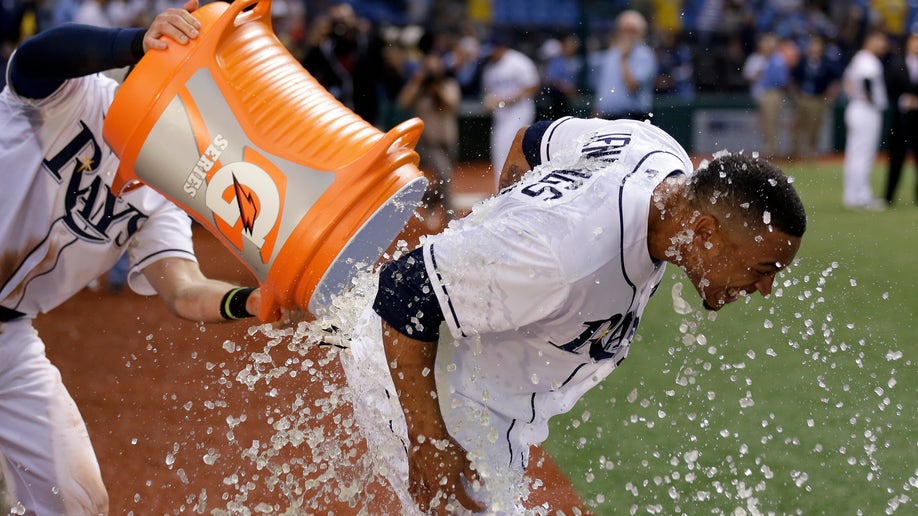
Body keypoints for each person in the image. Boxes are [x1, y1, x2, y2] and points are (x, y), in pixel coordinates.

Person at [339, 116, 806, 513]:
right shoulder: (565, 258)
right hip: (432, 382)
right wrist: (428, 438)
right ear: (703, 231)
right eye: (763, 269)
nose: (764, 288)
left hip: (492, 387)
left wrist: (505, 226)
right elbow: (405, 288)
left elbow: (531, 138)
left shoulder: (660, 155)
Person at [0, 2, 268, 513]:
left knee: (77, 504)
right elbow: (36, 56)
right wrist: (131, 41)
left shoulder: (161, 191)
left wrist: (251, 301)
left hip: (9, 340)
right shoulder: (75, 94)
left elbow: (185, 291)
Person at [396, 49, 461, 227]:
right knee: (445, 175)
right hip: (429, 143)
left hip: (449, 142)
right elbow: (403, 102)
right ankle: (451, 220)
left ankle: (428, 200)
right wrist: (417, 81)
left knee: (443, 179)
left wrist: (436, 89)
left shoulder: (448, 84)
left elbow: (451, 103)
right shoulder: (419, 90)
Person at [481, 33, 540, 187]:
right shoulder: (490, 68)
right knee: (499, 150)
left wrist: (509, 99)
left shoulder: (518, 62)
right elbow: (490, 94)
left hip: (519, 112)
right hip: (501, 116)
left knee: (509, 148)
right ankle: (502, 188)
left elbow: (533, 86)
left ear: (501, 47)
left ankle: (514, 187)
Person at [842, 29, 890, 210]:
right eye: (880, 40)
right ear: (870, 40)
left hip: (856, 106)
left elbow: (847, 83)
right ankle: (861, 197)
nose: (883, 45)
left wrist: (856, 96)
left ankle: (852, 196)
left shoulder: (858, 59)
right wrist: (868, 99)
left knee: (855, 154)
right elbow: (868, 82)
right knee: (863, 154)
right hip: (865, 109)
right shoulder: (868, 60)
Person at [591, 9, 657, 121]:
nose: (627, 35)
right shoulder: (611, 55)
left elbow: (633, 86)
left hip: (633, 117)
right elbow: (604, 89)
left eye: (632, 30)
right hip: (607, 117)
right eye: (623, 30)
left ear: (640, 33)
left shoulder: (645, 55)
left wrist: (624, 59)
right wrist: (596, 112)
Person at [790, 34, 842, 160]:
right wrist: (795, 95)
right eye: (811, 44)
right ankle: (795, 154)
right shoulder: (802, 61)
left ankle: (811, 153)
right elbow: (792, 78)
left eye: (816, 44)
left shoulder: (826, 63)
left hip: (817, 98)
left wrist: (829, 96)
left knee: (814, 127)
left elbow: (836, 80)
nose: (813, 47)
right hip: (802, 97)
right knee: (797, 126)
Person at [883, 31, 918, 205]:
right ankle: (889, 197)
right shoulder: (897, 63)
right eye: (914, 40)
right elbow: (888, 89)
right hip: (900, 120)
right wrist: (903, 100)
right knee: (896, 159)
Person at [743, 32, 791, 158]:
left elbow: (782, 79)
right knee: (765, 124)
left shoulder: (777, 59)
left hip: (773, 93)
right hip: (761, 95)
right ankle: (770, 149)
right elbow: (747, 76)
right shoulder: (759, 58)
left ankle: (773, 150)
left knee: (772, 122)